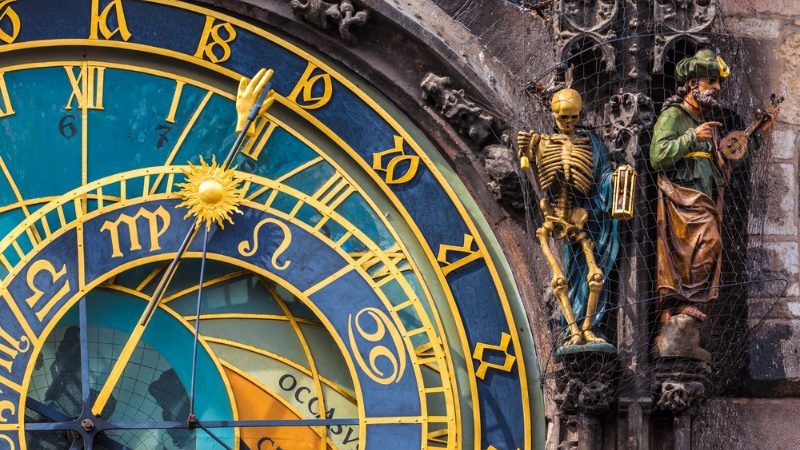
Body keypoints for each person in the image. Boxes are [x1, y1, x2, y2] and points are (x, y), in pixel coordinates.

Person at [650, 49, 777, 326]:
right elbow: (658, 156)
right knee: (708, 243)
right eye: (710, 80)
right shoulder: (674, 115)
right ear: (692, 83)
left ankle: (682, 304)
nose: (717, 88)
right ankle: (679, 303)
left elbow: (729, 157)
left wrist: (759, 134)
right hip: (681, 201)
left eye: (718, 82)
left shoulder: (707, 122)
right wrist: (691, 137)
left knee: (707, 245)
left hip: (704, 202)